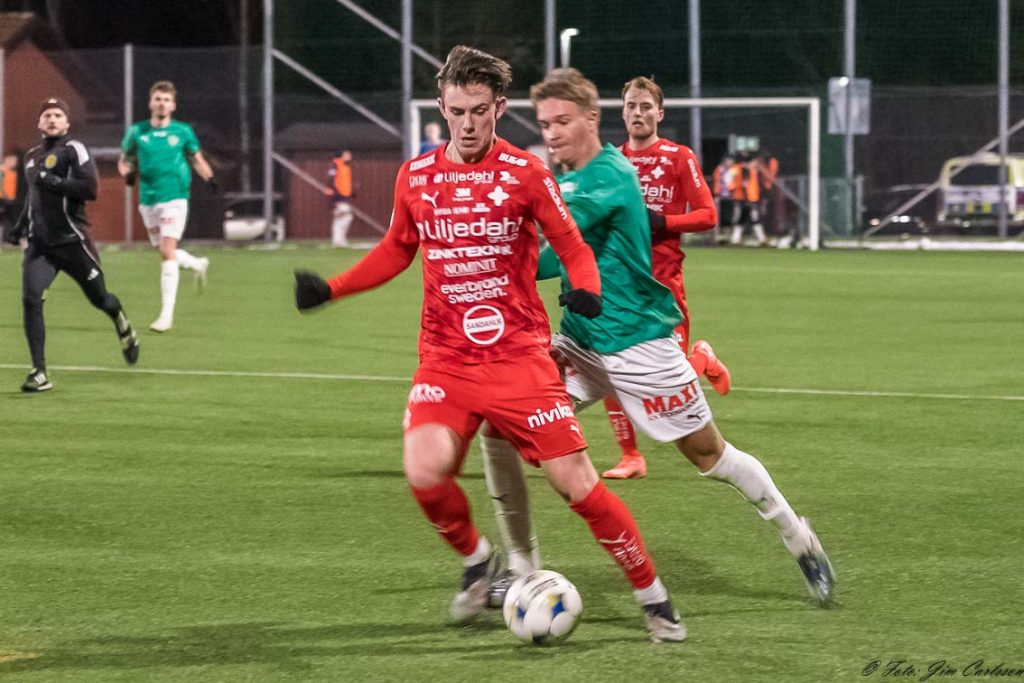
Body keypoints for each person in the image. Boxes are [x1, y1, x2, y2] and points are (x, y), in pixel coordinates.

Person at [293, 45, 688, 643]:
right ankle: (479, 560)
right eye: (457, 111)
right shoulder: (415, 176)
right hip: (446, 360)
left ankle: (653, 597)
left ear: (499, 108)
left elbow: (572, 244)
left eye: (480, 110)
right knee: (424, 471)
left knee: (576, 483)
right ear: (441, 107)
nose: (468, 123)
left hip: (518, 358)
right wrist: (331, 288)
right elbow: (398, 249)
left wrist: (586, 288)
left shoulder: (526, 173)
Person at [480, 68, 835, 609]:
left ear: (591, 119)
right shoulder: (568, 178)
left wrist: (486, 255)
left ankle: (796, 534)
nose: (550, 133)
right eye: (544, 123)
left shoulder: (607, 176)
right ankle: (521, 567)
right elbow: (552, 257)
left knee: (711, 457)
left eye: (562, 121)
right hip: (580, 341)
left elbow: (550, 242)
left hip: (638, 343)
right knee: (501, 429)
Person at [599, 76, 731, 480]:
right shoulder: (609, 161)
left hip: (663, 289)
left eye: (645, 106)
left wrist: (664, 222)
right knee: (609, 369)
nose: (638, 113)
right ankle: (630, 456)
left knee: (668, 384)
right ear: (622, 112)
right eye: (631, 106)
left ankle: (702, 357)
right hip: (619, 288)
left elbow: (708, 215)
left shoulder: (678, 157)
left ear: (660, 112)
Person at [6, 98, 140, 392]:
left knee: (100, 299)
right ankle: (39, 372)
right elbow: (33, 197)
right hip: (41, 247)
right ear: (39, 122)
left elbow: (89, 189)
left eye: (58, 115)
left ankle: (122, 322)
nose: (52, 119)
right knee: (31, 299)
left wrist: (53, 181)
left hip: (72, 242)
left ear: (66, 122)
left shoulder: (74, 149)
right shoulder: (31, 156)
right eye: (47, 115)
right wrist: (19, 227)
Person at [118, 80, 216, 333]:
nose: (162, 103)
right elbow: (124, 160)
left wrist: (210, 179)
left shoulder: (182, 131)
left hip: (175, 197)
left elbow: (196, 159)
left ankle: (166, 315)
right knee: (164, 250)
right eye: (158, 99)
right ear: (150, 103)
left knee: (166, 250)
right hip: (148, 199)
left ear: (173, 105)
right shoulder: (137, 131)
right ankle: (197, 264)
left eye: (166, 100)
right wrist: (127, 174)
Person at [325, 150, 354, 247]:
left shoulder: (346, 168)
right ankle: (338, 240)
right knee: (345, 217)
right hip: (338, 198)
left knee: (342, 218)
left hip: (344, 197)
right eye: (347, 155)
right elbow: (330, 183)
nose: (349, 157)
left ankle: (339, 239)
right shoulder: (335, 166)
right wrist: (332, 201)